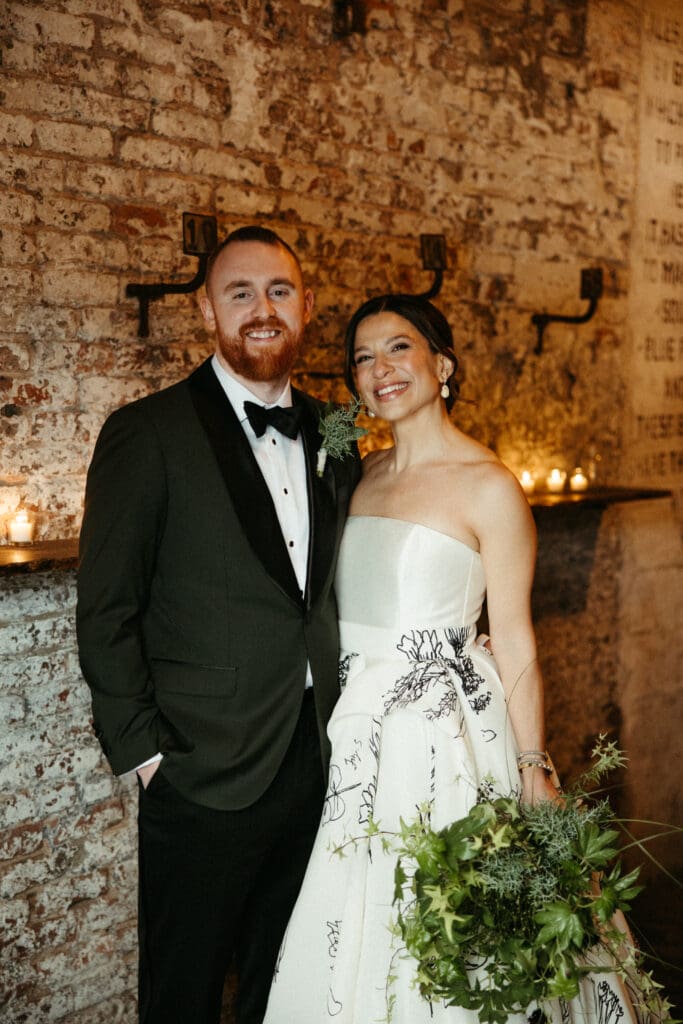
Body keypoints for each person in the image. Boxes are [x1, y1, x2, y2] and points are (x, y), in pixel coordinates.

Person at [264, 294, 639, 1023]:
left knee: (455, 928)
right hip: (356, 740)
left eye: (397, 348)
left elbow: (518, 638)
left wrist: (533, 768)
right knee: (359, 918)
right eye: (363, 358)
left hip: (445, 742)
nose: (380, 369)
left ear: (441, 364)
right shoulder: (355, 474)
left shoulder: (489, 486)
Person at [76, 225, 360, 1024]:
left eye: (277, 291)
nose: (260, 310)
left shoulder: (338, 435)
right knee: (184, 995)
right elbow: (106, 611)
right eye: (239, 293)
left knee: (291, 985)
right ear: (207, 310)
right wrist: (145, 755)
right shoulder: (148, 432)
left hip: (317, 760)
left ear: (304, 307)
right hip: (200, 771)